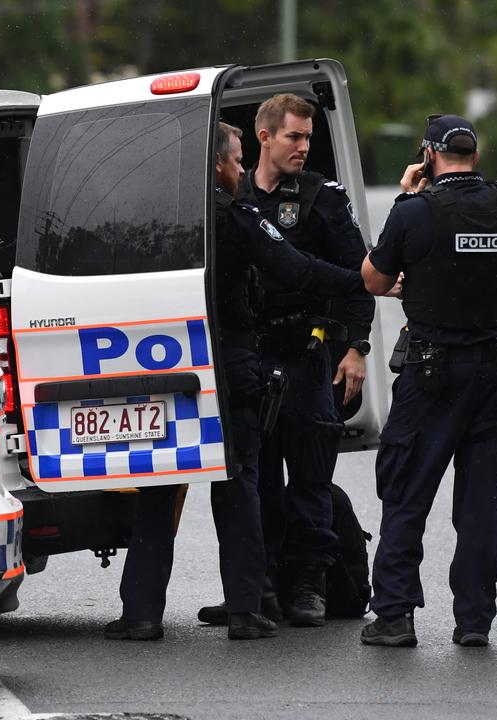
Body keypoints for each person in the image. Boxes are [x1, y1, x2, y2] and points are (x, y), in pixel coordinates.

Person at [106, 121, 363, 641]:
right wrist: (363, 279)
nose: (242, 169)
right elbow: (295, 268)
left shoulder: (148, 221)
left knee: (159, 485)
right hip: (230, 363)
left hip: (165, 363)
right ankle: (247, 608)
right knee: (238, 481)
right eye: (237, 160)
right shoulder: (235, 215)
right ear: (218, 165)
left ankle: (141, 614)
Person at [360, 114, 497, 648]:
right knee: (482, 499)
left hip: (430, 374)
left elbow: (373, 278)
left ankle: (395, 615)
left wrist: (404, 198)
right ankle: (474, 619)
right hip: (495, 371)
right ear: (475, 153)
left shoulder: (417, 212)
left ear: (428, 155)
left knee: (406, 490)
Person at [230, 93, 374, 627]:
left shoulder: (322, 198)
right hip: (251, 357)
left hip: (308, 355)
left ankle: (309, 584)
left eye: (309, 137)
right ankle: (259, 585)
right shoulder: (232, 196)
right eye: (294, 136)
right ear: (264, 137)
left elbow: (360, 279)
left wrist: (356, 347)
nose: (304, 147)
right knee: (257, 478)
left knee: (311, 478)